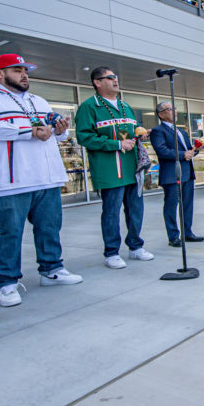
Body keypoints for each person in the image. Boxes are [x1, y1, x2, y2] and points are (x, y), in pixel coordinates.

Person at [0, 54, 83, 307]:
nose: (24, 74)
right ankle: (5, 283)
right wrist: (28, 132)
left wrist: (61, 131)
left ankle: (52, 269)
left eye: (25, 70)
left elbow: (54, 132)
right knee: (9, 232)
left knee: (50, 227)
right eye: (17, 70)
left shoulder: (36, 100)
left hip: (46, 177)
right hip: (10, 179)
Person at [75, 67, 154, 269]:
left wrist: (139, 136)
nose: (115, 80)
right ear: (97, 82)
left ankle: (135, 247)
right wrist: (116, 145)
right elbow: (85, 137)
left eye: (116, 77)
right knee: (111, 212)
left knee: (136, 210)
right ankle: (111, 252)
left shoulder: (125, 106)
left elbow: (130, 134)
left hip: (132, 167)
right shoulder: (89, 107)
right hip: (110, 170)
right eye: (110, 78)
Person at [150, 101, 203, 247]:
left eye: (175, 108)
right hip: (172, 174)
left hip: (187, 172)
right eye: (170, 109)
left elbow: (188, 152)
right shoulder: (158, 131)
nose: (175, 111)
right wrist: (182, 154)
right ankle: (173, 236)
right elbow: (161, 151)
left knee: (187, 205)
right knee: (171, 206)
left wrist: (197, 150)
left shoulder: (181, 131)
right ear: (161, 114)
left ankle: (188, 232)